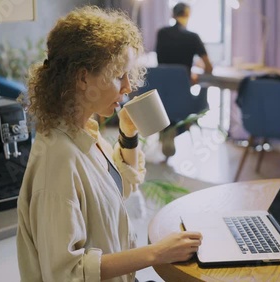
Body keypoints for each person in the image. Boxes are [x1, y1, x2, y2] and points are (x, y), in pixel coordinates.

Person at [16, 6, 202, 282]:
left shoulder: (83, 131)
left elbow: (119, 187)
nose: (128, 87)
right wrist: (156, 253)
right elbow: (66, 274)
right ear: (82, 78)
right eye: (119, 76)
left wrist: (128, 134)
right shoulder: (58, 161)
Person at [155, 2, 213, 158]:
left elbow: (164, 63)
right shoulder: (193, 37)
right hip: (183, 96)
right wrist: (191, 75)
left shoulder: (161, 33)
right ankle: (177, 129)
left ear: (172, 15)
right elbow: (209, 68)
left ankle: (168, 129)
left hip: (161, 95)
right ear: (188, 15)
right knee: (185, 104)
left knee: (171, 105)